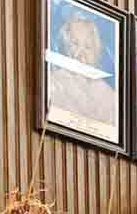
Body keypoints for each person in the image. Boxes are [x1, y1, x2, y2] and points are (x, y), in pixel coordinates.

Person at [47, 14, 120, 142]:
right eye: (75, 44)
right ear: (65, 48)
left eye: (87, 47)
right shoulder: (53, 82)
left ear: (96, 52)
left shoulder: (110, 96)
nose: (81, 53)